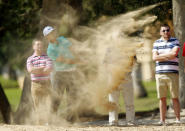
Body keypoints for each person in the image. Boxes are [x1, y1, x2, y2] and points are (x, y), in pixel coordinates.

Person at [43, 26, 78, 122]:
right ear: (47, 37)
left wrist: (74, 58)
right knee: (57, 98)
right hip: (60, 74)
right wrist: (76, 61)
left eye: (53, 32)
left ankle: (70, 121)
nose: (53, 34)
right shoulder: (50, 50)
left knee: (72, 97)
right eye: (50, 33)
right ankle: (51, 120)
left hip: (72, 72)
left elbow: (72, 49)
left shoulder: (62, 39)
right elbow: (63, 60)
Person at [152, 24, 180, 125]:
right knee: (162, 98)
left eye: (167, 30)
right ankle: (162, 120)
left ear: (170, 31)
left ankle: (178, 119)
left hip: (173, 73)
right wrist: (168, 56)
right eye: (163, 31)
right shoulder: (156, 43)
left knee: (175, 97)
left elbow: (174, 54)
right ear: (160, 32)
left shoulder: (175, 41)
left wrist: (161, 56)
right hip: (160, 74)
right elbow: (154, 58)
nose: (165, 32)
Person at [103, 47, 135, 126]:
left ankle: (130, 121)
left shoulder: (130, 48)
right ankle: (113, 121)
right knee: (113, 101)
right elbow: (105, 64)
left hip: (126, 77)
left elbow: (133, 62)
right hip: (113, 78)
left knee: (129, 101)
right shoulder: (109, 49)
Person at [26, 39, 53, 125]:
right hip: (35, 85)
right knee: (37, 106)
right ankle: (40, 125)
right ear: (33, 47)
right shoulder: (30, 59)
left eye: (41, 45)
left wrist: (36, 69)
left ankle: (48, 123)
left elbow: (48, 70)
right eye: (37, 45)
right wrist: (42, 68)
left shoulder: (48, 57)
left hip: (47, 84)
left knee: (48, 104)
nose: (39, 47)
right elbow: (30, 70)